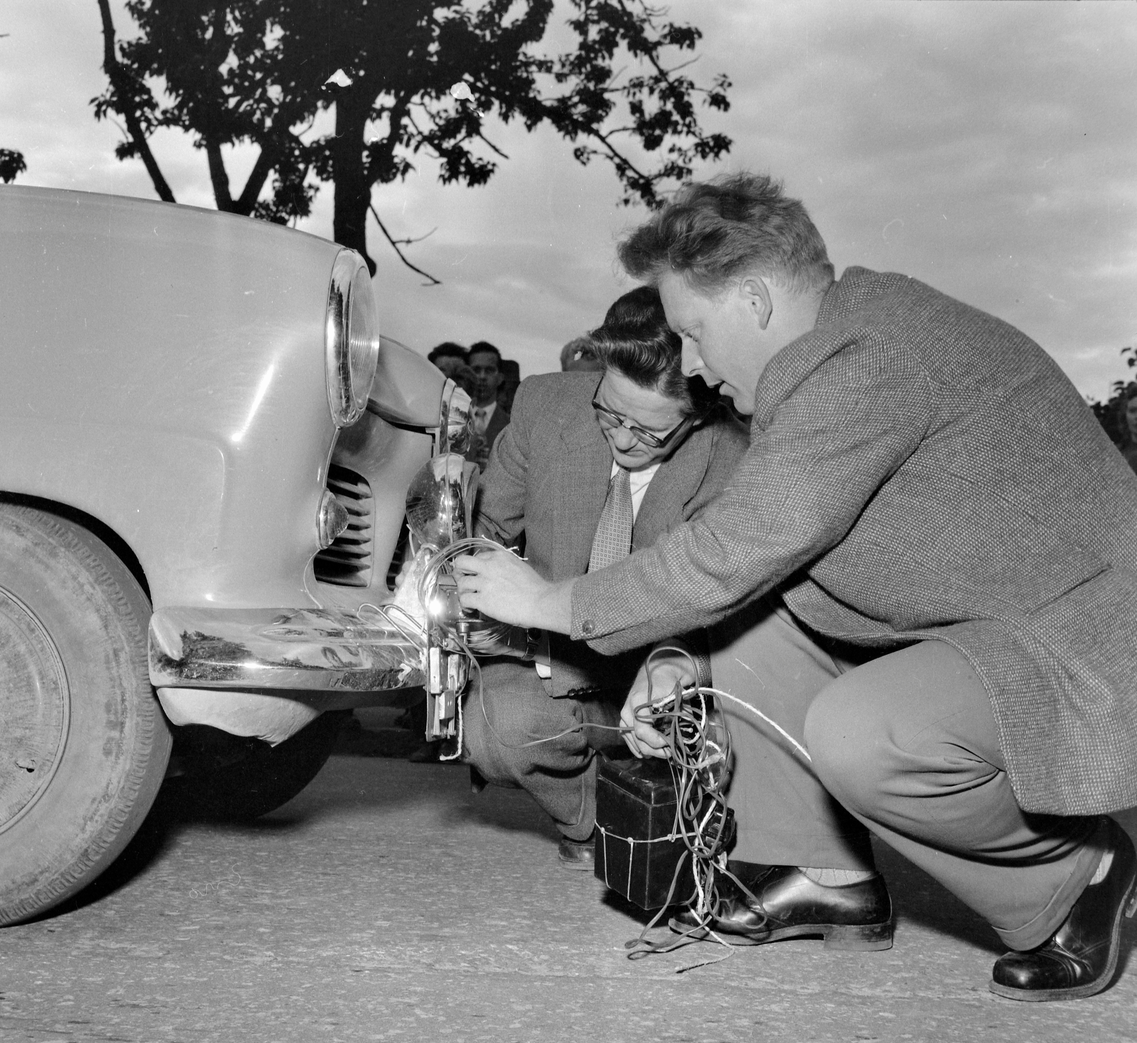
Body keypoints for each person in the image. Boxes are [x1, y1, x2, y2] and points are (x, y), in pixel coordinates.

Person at [455, 171, 1137, 1001]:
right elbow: (762, 562)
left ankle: (1077, 876)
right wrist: (683, 660)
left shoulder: (865, 359)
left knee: (866, 735)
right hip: (997, 615)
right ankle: (826, 871)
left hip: (1082, 640)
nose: (696, 368)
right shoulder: (850, 339)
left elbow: (736, 547)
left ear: (754, 299)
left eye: (695, 333)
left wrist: (547, 603)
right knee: (762, 607)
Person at [461, 287, 748, 867]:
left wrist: (683, 663)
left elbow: (731, 605)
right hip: (556, 666)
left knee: (729, 750)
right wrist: (447, 515)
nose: (620, 440)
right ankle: (593, 817)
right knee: (495, 728)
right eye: (609, 413)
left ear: (699, 413)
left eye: (649, 433)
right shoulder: (547, 405)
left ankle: (672, 809)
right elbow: (482, 527)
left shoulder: (734, 452)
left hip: (666, 669)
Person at [467, 341, 512, 457]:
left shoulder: (511, 427)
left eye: (489, 370)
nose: (482, 377)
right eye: (476, 370)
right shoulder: (452, 420)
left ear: (500, 378)